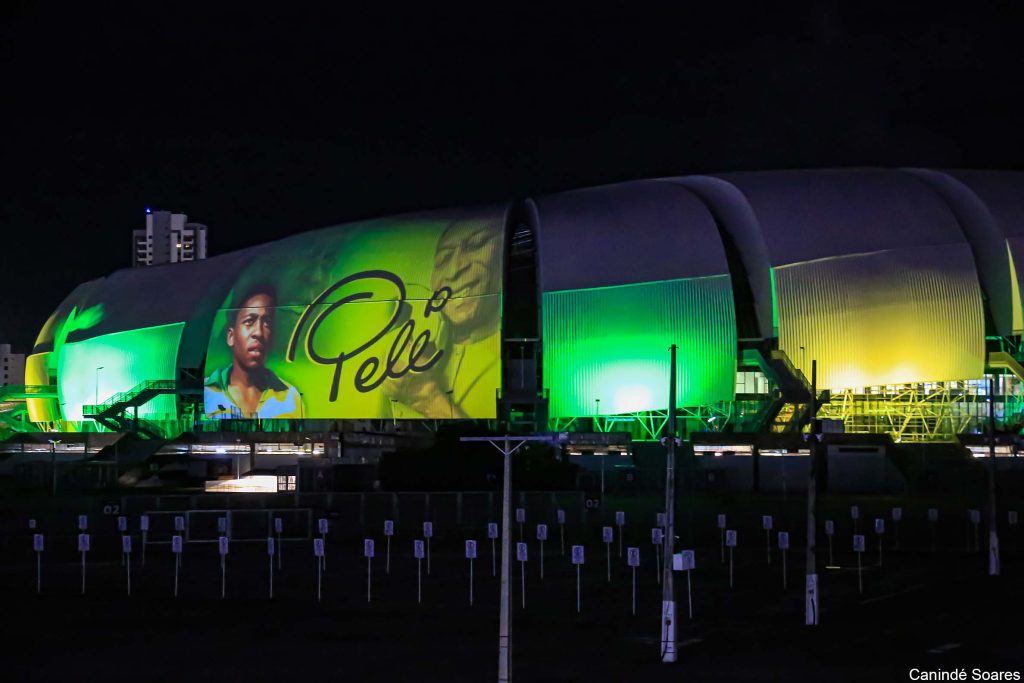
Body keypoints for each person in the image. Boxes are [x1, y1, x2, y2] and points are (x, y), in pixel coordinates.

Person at [385, 217, 502, 419]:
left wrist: (428, 399)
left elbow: (495, 448)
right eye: (444, 259)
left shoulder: (518, 363)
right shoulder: (423, 354)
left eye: (477, 245)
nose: (454, 271)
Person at [204, 285, 303, 419]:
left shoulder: (290, 398)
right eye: (249, 321)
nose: (258, 332)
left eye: (267, 322)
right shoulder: (206, 391)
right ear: (231, 336)